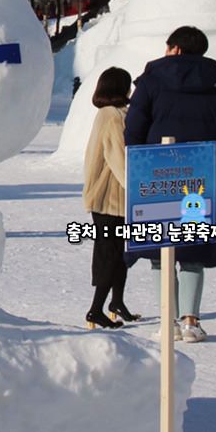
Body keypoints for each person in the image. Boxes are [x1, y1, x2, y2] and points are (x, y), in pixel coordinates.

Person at [124, 25, 216, 343]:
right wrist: (212, 167)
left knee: (160, 253)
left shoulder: (150, 82)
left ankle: (168, 321)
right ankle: (191, 320)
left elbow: (133, 129)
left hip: (156, 177)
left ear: (174, 49)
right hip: (199, 179)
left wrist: (141, 166)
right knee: (193, 250)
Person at [82, 67, 139, 330]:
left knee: (118, 252)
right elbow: (118, 157)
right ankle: (96, 309)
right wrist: (138, 187)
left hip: (113, 195)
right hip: (110, 196)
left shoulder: (108, 114)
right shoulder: (113, 116)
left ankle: (117, 303)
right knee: (110, 253)